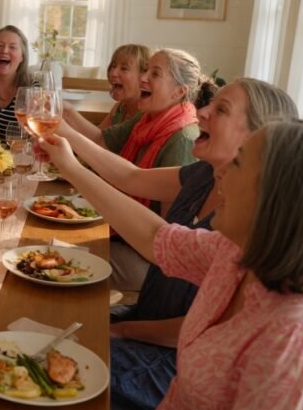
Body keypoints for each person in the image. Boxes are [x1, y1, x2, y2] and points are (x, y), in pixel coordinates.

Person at [40, 120, 303, 410]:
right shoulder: (237, 254)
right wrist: (70, 167)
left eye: (238, 163)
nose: (221, 173)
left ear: (280, 196)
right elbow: (156, 238)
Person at [60, 79, 297, 410]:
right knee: (54, 322)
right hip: (145, 318)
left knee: (56, 364)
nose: (201, 111)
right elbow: (133, 184)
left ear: (258, 138)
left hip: (173, 359)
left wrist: (120, 331)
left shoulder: (247, 229)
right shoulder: (204, 175)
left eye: (221, 109)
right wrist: (65, 140)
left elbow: (201, 329)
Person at [61, 48, 212, 290]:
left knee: (59, 256)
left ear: (179, 92)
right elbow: (102, 141)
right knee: (54, 240)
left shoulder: (183, 138)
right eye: (145, 70)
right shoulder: (147, 119)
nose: (144, 77)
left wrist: (65, 137)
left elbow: (166, 232)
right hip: (123, 234)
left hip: (148, 260)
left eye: (155, 73)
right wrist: (66, 113)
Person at [99, 44, 151, 130]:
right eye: (113, 66)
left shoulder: (148, 115)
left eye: (124, 68)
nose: (113, 73)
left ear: (144, 76)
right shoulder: (119, 108)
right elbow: (97, 135)